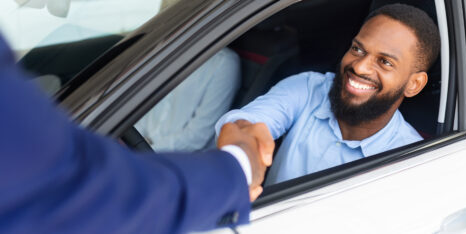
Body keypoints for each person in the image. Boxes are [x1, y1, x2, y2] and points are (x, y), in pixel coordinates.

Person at [0, 34, 274, 233]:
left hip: (160, 157)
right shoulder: (165, 50)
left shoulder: (223, 65)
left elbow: (198, 132)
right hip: (140, 157)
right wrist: (239, 163)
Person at [215, 4, 441, 185]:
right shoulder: (307, 87)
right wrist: (243, 149)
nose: (360, 67)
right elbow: (249, 122)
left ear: (414, 84)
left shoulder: (410, 164)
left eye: (384, 62)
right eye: (357, 49)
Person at [135, 48, 240, 151]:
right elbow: (146, 109)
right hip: (143, 146)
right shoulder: (168, 51)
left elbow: (199, 136)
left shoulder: (224, 62)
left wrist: (147, 151)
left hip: (182, 157)